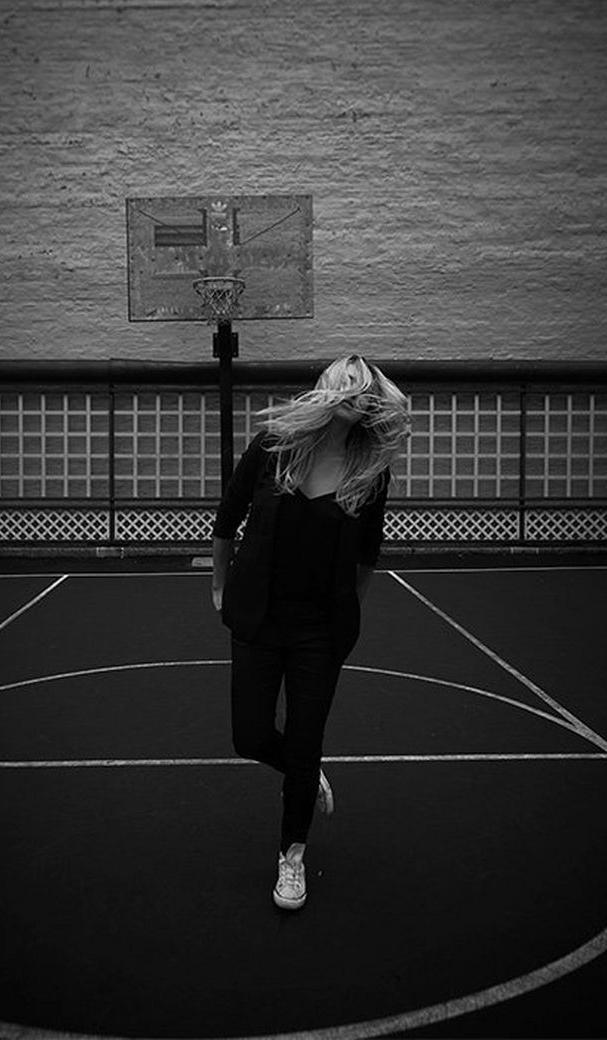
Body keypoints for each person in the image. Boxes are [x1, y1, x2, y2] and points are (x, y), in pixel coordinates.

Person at [211, 354, 410, 910]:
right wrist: (220, 586)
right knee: (249, 736)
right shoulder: (273, 447)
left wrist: (351, 611)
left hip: (320, 631)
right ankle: (306, 769)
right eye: (350, 385)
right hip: (259, 618)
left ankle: (291, 857)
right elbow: (227, 519)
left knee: (305, 738)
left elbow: (366, 557)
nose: (360, 395)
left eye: (368, 390)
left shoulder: (369, 470)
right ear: (327, 390)